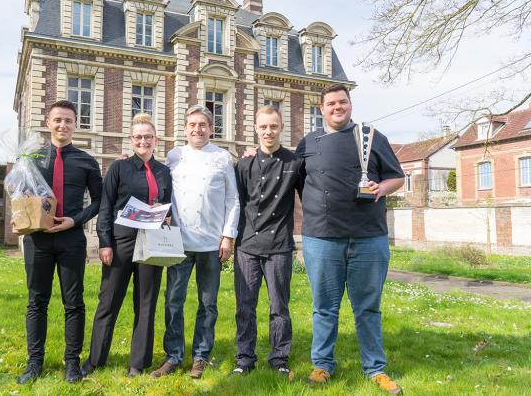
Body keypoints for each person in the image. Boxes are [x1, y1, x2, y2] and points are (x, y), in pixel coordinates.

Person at [296, 84, 405, 394]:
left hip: (368, 237)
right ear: (321, 109)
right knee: (324, 307)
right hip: (322, 237)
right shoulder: (309, 142)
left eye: (342, 102)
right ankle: (322, 365)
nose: (337, 108)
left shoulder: (371, 137)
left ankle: (375, 368)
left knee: (367, 307)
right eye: (330, 104)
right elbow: (296, 179)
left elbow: (396, 176)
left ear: (350, 105)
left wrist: (382, 188)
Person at [151, 105, 240, 379]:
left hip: (212, 245)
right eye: (192, 125)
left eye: (202, 125)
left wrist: (228, 235)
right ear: (185, 128)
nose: (197, 129)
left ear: (211, 129)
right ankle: (174, 356)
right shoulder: (174, 156)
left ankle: (201, 355)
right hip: (178, 243)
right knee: (173, 301)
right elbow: (157, 183)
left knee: (208, 303)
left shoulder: (223, 157)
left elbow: (233, 199)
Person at [81, 113, 172, 378]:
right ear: (131, 140)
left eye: (148, 137)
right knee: (108, 301)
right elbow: (106, 206)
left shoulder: (164, 172)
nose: (143, 141)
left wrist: (165, 213)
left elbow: (171, 208)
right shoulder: (118, 168)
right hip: (121, 242)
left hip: (152, 243)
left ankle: (138, 363)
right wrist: (104, 242)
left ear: (155, 140)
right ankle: (95, 359)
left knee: (145, 302)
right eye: (138, 137)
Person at [18, 100, 102, 384]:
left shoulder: (86, 161)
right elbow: (20, 194)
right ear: (48, 123)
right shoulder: (32, 158)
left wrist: (74, 220)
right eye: (57, 120)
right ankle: (34, 363)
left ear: (75, 125)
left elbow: (101, 201)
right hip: (37, 240)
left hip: (71, 239)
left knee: (74, 302)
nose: (62, 125)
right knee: (36, 301)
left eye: (68, 120)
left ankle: (72, 363)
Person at [232, 105, 304, 378]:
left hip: (279, 247)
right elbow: (236, 204)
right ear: (256, 129)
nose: (268, 131)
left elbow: (310, 198)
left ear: (281, 127)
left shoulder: (295, 163)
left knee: (279, 307)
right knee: (245, 306)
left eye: (273, 126)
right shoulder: (244, 163)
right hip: (247, 245)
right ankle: (245, 357)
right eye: (263, 126)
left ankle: (279, 358)